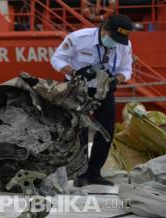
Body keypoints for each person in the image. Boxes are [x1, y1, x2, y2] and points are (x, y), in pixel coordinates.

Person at [51, 14, 133, 186]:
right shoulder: (79, 38)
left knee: (106, 130)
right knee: (78, 130)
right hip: (77, 87)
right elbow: (57, 59)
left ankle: (94, 172)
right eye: (113, 37)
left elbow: (126, 69)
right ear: (104, 28)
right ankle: (80, 173)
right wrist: (75, 72)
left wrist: (116, 79)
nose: (115, 42)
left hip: (104, 89)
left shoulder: (123, 45)